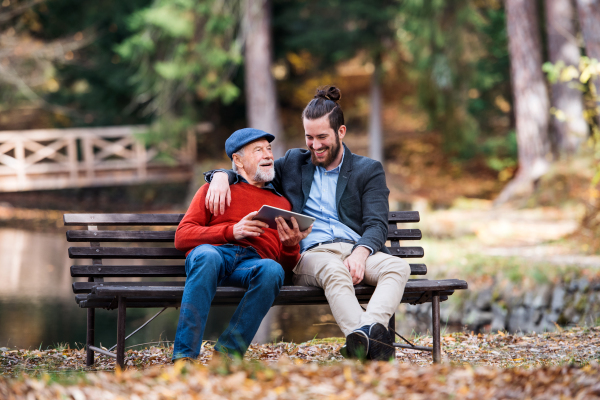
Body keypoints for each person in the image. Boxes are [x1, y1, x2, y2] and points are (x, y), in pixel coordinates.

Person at [204, 86, 411, 361]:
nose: (314, 145)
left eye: (322, 137)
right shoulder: (292, 163)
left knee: (398, 266)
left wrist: (361, 253)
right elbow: (251, 171)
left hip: (355, 250)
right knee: (334, 270)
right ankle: (373, 343)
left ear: (341, 132)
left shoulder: (367, 170)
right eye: (309, 137)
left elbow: (376, 225)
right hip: (312, 254)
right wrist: (219, 175)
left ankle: (365, 338)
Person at [172, 128, 310, 362]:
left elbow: (284, 271)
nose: (267, 155)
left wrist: (290, 246)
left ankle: (227, 355)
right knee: (207, 256)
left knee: (272, 270)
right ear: (238, 160)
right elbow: (182, 237)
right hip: (214, 256)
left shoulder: (281, 203)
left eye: (268, 149)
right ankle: (184, 357)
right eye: (258, 150)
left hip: (250, 266)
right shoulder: (213, 189)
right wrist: (231, 231)